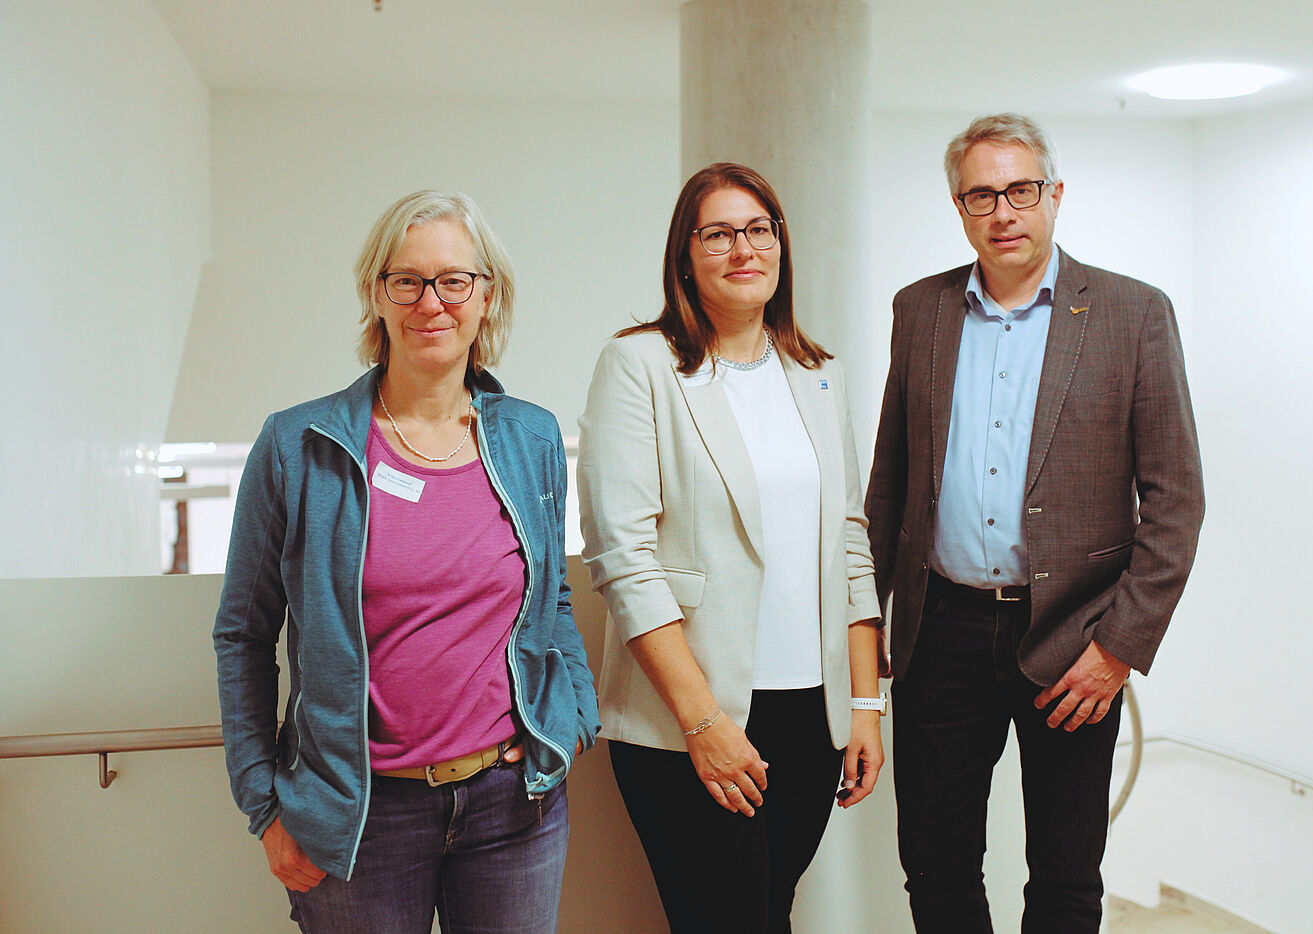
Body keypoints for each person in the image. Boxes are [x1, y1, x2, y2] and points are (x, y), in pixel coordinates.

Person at [212, 190, 600, 934]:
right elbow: (243, 634)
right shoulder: (298, 448)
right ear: (377, 294)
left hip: (514, 806)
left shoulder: (532, 437)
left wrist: (571, 718)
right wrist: (263, 804)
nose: (433, 302)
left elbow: (549, 604)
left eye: (455, 280)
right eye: (408, 281)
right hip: (358, 819)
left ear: (488, 297)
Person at [865, 114, 1206, 933]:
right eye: (982, 194)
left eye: (1021, 190)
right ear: (959, 206)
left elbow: (1175, 500)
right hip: (937, 633)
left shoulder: (1132, 314)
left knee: (1064, 874)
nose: (1004, 211)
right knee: (936, 867)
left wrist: (1119, 648)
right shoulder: (921, 311)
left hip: (1073, 638)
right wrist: (868, 622)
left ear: (1054, 195)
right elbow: (891, 481)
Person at [577, 162, 885, 934]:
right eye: (717, 233)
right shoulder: (640, 364)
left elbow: (851, 541)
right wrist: (704, 723)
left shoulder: (819, 375)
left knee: (768, 914)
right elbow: (623, 557)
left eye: (758, 229)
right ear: (685, 255)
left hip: (809, 718)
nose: (742, 248)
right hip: (690, 717)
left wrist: (864, 705)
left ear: (780, 245)